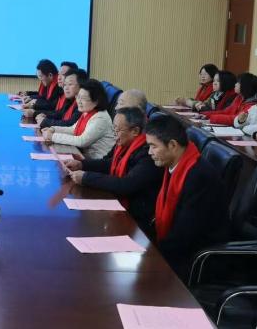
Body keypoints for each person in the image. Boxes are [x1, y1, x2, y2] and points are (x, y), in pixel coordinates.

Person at [144, 114, 227, 275]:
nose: (149, 152)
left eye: (153, 146)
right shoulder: (175, 164)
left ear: (173, 145)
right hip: (179, 247)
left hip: (197, 259)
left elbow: (185, 234)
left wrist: (150, 252)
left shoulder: (199, 177)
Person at [64, 107, 163, 232]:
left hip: (136, 219)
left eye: (117, 129)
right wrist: (82, 165)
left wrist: (86, 177)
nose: (114, 133)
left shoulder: (148, 154)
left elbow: (126, 185)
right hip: (119, 203)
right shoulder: (126, 144)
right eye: (113, 128)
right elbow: (110, 164)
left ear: (135, 131)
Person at [41, 80, 114, 159]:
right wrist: (53, 129)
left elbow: (81, 141)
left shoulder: (101, 118)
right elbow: (73, 129)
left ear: (96, 101)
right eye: (78, 97)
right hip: (82, 154)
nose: (78, 101)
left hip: (96, 161)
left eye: (83, 98)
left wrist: (52, 136)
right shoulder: (88, 111)